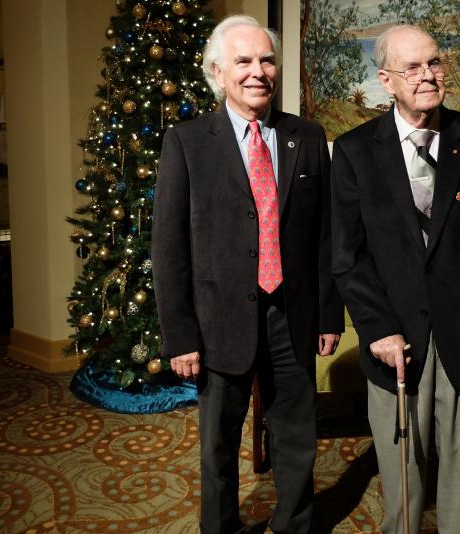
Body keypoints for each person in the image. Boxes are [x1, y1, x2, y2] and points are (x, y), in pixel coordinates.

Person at [330, 25, 460, 533]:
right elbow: (347, 255)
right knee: (403, 471)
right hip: (394, 338)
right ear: (386, 81)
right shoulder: (354, 150)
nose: (428, 76)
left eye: (435, 63)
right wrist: (377, 328)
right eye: (413, 67)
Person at [152, 15, 343, 534]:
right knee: (218, 443)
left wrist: (330, 314)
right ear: (218, 71)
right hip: (218, 325)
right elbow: (168, 250)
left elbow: (324, 234)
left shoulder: (306, 136)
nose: (258, 71)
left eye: (266, 59)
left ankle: (294, 526)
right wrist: (181, 336)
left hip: (293, 317)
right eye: (244, 60)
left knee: (296, 438)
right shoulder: (187, 142)